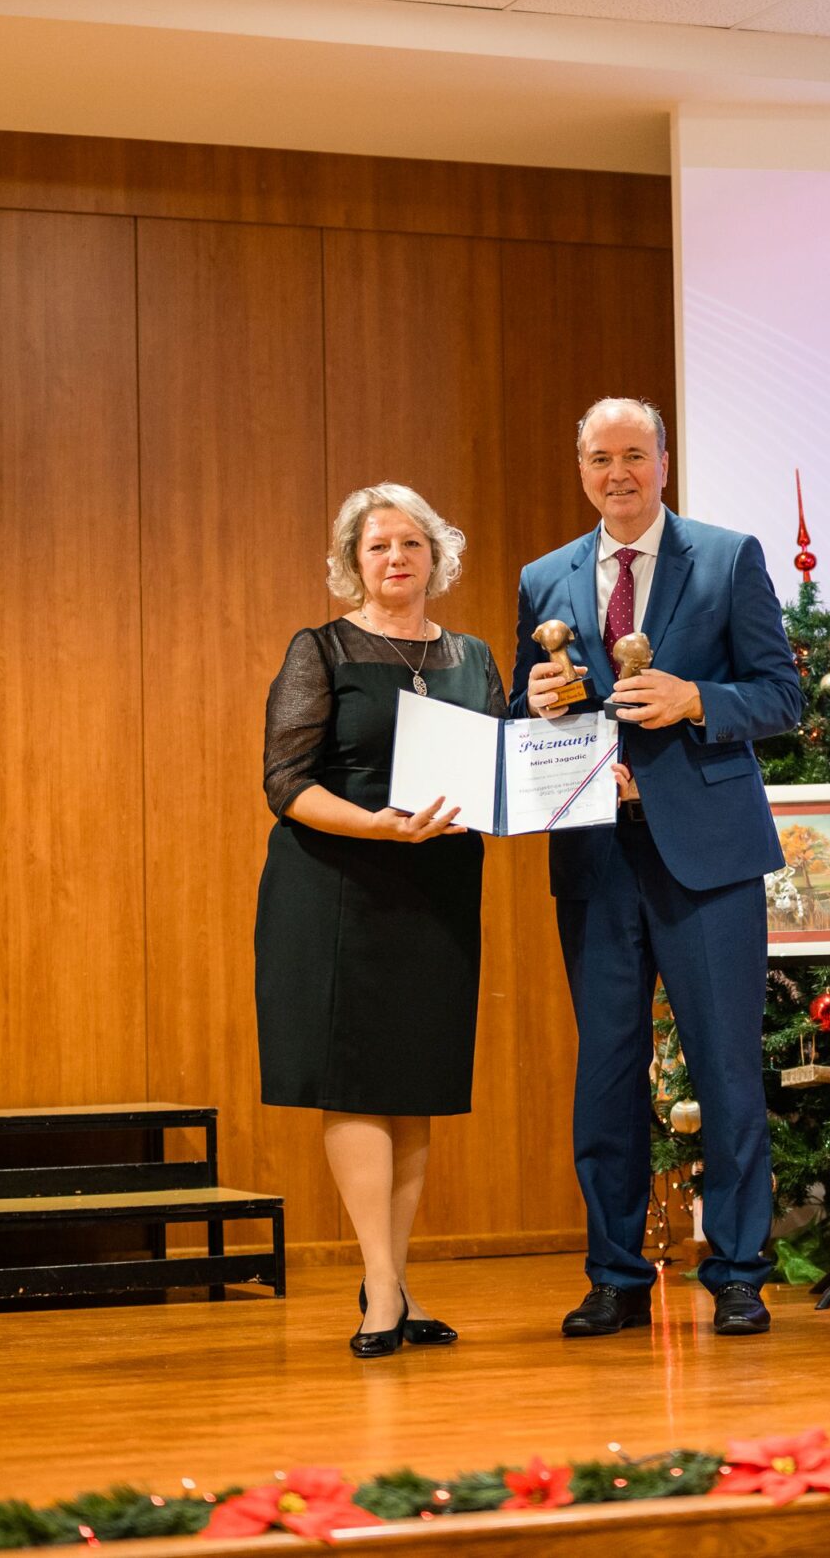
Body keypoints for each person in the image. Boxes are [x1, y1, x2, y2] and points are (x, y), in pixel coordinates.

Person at [513, 397, 805, 1339]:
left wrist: (695, 699)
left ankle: (739, 1271)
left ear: (664, 463)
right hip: (596, 854)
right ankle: (616, 1276)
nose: (619, 474)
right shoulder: (544, 578)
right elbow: (529, 710)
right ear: (581, 470)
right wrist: (536, 699)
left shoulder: (726, 557)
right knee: (606, 1073)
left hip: (707, 855)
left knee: (726, 1067)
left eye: (634, 455)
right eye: (601, 458)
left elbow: (782, 696)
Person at [255, 483, 501, 1358]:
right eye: (377, 546)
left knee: (413, 1085)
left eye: (411, 543)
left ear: (437, 556)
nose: (396, 557)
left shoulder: (473, 656)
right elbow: (285, 782)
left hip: (437, 890)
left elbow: (502, 766)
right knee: (357, 1080)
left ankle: (390, 1280)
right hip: (337, 887)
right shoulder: (320, 649)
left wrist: (581, 769)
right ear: (352, 563)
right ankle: (382, 1291)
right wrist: (378, 825)